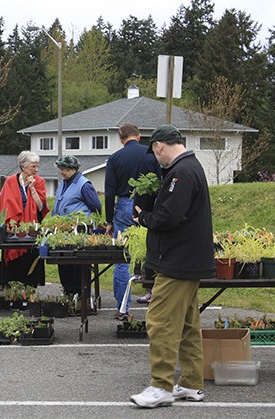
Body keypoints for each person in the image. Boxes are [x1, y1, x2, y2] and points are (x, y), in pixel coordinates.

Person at [130, 124, 215, 408]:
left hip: (177, 262)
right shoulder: (191, 167)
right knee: (188, 325)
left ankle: (161, 386)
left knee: (161, 323)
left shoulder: (180, 172)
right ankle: (191, 383)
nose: (157, 159)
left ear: (159, 147)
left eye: (155, 153)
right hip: (189, 260)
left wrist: (144, 218)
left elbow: (169, 216)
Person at [104, 124, 161, 319]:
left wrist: (108, 220)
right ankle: (156, 301)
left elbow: (109, 191)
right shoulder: (150, 155)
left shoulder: (115, 158)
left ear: (121, 139)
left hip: (123, 205)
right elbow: (160, 183)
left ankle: (123, 307)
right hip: (146, 206)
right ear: (138, 136)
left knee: (123, 259)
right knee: (152, 253)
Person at [0, 151, 49, 287]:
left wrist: (32, 190)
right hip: (13, 231)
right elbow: (4, 206)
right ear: (23, 167)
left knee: (29, 265)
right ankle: (13, 297)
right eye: (33, 167)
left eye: (37, 167)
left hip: (30, 231)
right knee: (13, 269)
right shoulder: (10, 182)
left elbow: (41, 207)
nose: (36, 170)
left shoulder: (40, 182)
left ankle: (28, 296)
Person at [51, 155, 102, 297]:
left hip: (79, 230)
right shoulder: (63, 183)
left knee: (78, 265)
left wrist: (91, 224)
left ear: (74, 169)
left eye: (65, 169)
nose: (62, 171)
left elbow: (96, 206)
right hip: (62, 229)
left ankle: (81, 295)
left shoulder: (84, 184)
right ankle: (68, 292)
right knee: (63, 262)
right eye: (60, 168)